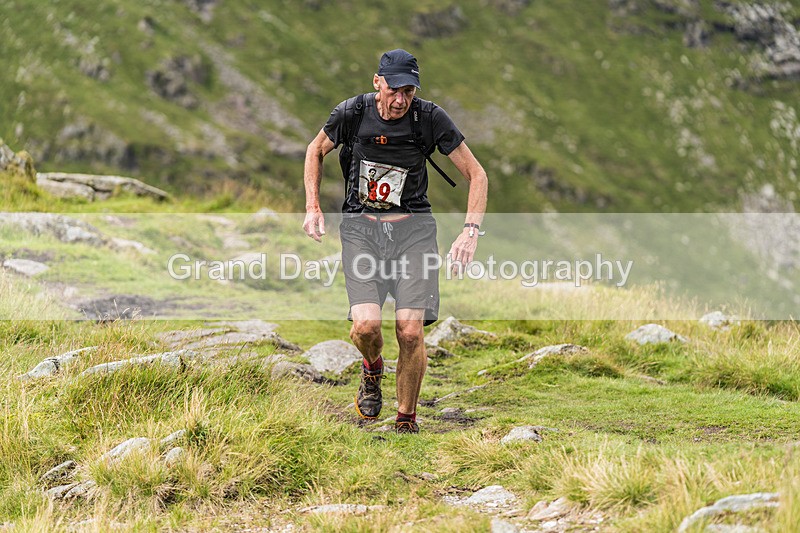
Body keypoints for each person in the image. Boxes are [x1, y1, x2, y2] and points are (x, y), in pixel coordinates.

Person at [303, 49, 488, 434]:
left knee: (409, 329)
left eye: (409, 91)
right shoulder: (351, 113)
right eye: (394, 89)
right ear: (377, 83)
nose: (401, 99)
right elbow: (315, 150)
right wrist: (313, 205)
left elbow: (477, 175)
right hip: (361, 230)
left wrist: (470, 231)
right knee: (367, 327)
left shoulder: (430, 118)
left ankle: (406, 420)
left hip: (413, 232)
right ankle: (372, 369)